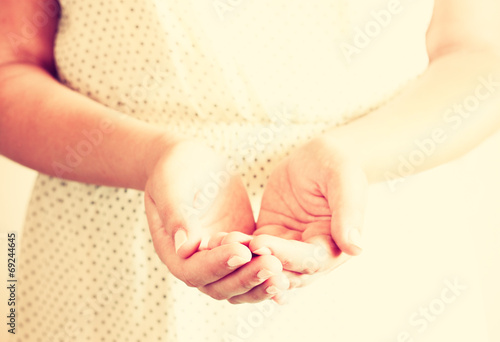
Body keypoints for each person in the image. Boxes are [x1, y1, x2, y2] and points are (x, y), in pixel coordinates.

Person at [1, 0, 499, 341]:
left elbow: (478, 57)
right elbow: (9, 66)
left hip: (377, 229)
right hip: (110, 247)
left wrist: (351, 154)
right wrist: (151, 156)